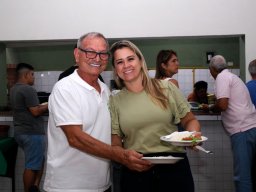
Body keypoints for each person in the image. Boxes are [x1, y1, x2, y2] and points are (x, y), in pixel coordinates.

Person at [43, 32, 151, 192]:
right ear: (77, 54)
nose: (97, 58)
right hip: (69, 186)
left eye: (102, 54)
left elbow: (111, 132)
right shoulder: (65, 88)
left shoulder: (105, 90)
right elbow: (75, 138)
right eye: (90, 52)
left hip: (102, 185)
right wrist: (120, 155)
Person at [109, 40, 201, 192]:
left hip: (174, 169)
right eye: (120, 62)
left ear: (140, 61)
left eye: (130, 59)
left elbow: (190, 120)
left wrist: (193, 134)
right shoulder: (114, 101)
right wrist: (125, 156)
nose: (126, 65)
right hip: (136, 171)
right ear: (116, 69)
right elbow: (115, 143)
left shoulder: (166, 88)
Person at [208, 55, 256, 192]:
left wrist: (210, 108)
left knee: (242, 177)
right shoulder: (233, 77)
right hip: (251, 127)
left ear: (212, 69)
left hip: (242, 131)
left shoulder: (222, 77)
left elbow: (222, 104)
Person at [10, 63, 48, 192]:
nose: (34, 77)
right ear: (26, 75)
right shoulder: (28, 89)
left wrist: (40, 106)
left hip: (20, 132)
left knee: (39, 160)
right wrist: (51, 103)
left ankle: (35, 187)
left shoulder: (14, 88)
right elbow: (35, 111)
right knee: (32, 165)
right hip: (32, 133)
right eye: (32, 74)